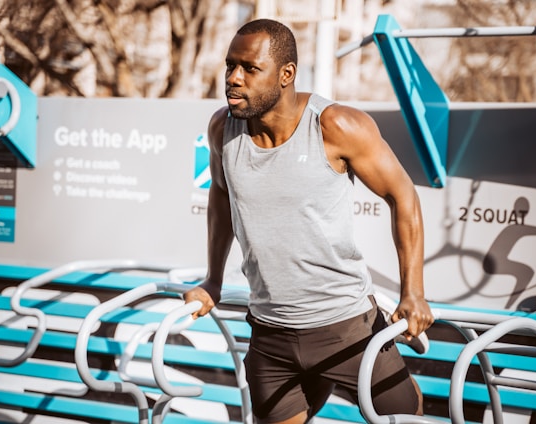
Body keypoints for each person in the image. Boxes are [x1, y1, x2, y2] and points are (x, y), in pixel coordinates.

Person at [184, 18, 433, 424]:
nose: (233, 78)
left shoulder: (335, 125)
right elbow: (221, 194)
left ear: (287, 75)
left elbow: (401, 196)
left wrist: (414, 292)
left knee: (409, 418)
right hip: (270, 335)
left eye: (249, 68)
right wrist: (213, 279)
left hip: (346, 327)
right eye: (230, 66)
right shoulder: (222, 130)